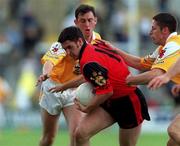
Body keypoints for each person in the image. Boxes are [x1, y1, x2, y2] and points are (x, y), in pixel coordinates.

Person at [57, 26, 150, 146]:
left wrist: (89, 108)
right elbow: (92, 78)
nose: (68, 53)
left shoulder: (88, 62)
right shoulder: (93, 48)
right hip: (110, 100)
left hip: (129, 102)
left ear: (79, 42)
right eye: (65, 49)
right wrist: (64, 86)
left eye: (70, 47)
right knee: (81, 134)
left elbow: (107, 91)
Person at [96, 12, 180, 146]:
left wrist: (128, 81)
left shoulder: (172, 46)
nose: (149, 32)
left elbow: (156, 74)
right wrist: (115, 50)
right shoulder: (164, 48)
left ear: (164, 30)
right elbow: (140, 63)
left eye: (153, 28)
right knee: (173, 143)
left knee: (174, 130)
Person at [37, 4, 101, 146]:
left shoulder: (97, 41)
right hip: (53, 88)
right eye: (83, 21)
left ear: (95, 21)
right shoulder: (64, 41)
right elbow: (49, 62)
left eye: (90, 20)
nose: (87, 25)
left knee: (77, 134)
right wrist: (46, 74)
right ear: (76, 22)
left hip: (74, 90)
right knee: (48, 138)